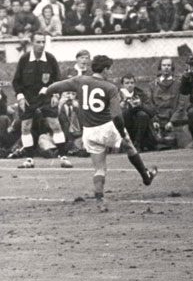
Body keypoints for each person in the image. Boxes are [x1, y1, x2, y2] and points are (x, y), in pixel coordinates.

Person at [46, 55, 158, 211]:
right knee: (130, 146)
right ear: (105, 69)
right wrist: (121, 132)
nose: (110, 73)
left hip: (89, 132)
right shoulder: (110, 87)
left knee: (99, 168)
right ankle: (146, 177)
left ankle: (99, 199)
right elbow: (117, 116)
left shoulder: (80, 80)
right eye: (109, 69)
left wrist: (47, 91)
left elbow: (55, 87)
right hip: (107, 126)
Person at [12, 30, 72, 168]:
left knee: (55, 124)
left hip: (46, 97)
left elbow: (57, 79)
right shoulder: (24, 59)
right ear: (32, 43)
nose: (41, 45)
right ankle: (29, 159)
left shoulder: (50, 59)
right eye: (38, 42)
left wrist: (56, 94)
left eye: (43, 42)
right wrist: (20, 97)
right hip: (28, 98)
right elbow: (16, 81)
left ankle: (63, 157)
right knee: (25, 126)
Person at [119, 74, 156, 152]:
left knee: (142, 115)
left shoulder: (141, 94)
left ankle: (137, 145)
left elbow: (152, 111)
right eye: (127, 83)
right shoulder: (116, 95)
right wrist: (120, 107)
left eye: (132, 83)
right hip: (124, 125)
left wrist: (141, 105)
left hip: (139, 127)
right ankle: (125, 144)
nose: (130, 85)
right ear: (122, 85)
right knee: (125, 114)